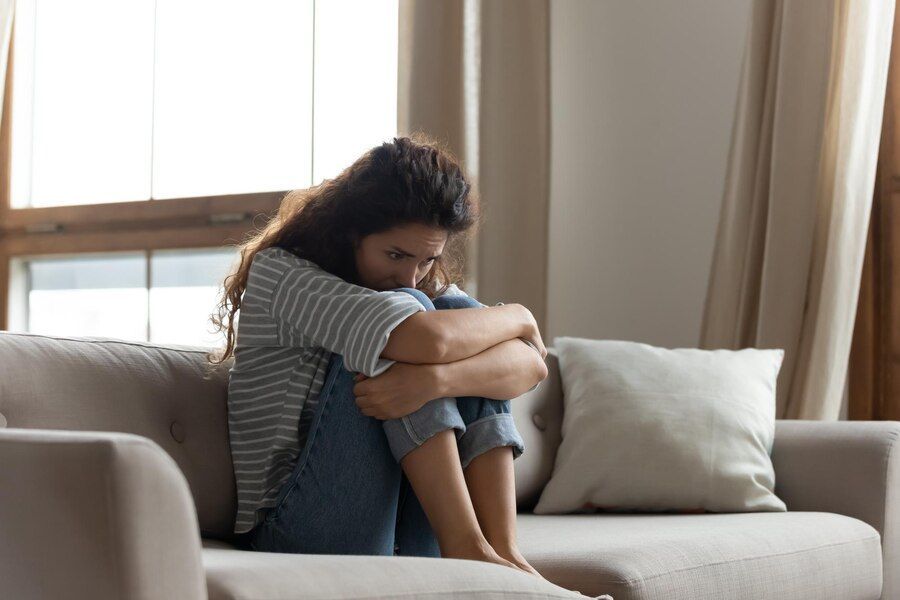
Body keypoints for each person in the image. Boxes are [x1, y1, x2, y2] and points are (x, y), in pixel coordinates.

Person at [207, 133, 549, 578]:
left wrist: (435, 382)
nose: (410, 275)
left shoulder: (408, 285)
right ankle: (467, 547)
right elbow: (428, 341)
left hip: (397, 522)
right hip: (296, 530)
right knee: (405, 322)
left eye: (427, 261)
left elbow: (530, 364)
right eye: (395, 254)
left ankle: (503, 553)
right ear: (350, 234)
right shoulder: (281, 272)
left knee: (456, 312)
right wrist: (519, 314)